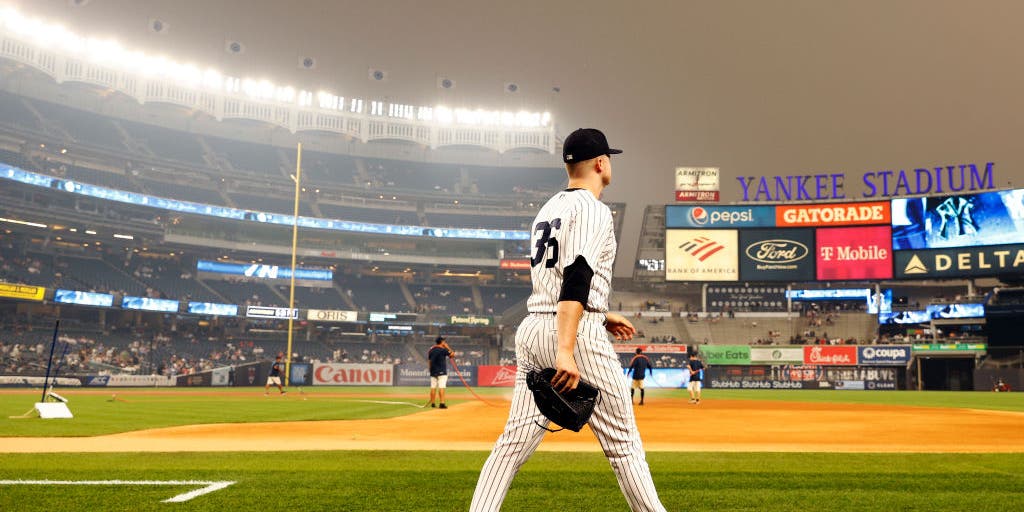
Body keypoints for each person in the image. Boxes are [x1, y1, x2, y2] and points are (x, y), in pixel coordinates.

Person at [470, 128, 666, 512]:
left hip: (533, 328)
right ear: (600, 163)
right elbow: (576, 275)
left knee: (513, 443)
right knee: (623, 445)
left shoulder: (548, 208)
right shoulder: (594, 209)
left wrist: (602, 311)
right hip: (573, 335)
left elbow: (559, 276)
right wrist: (565, 349)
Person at [427, 336, 454, 408]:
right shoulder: (443, 350)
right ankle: (442, 403)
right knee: (441, 387)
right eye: (444, 341)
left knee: (433, 387)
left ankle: (432, 403)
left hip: (433, 371)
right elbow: (452, 355)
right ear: (442, 342)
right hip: (441, 371)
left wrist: (430, 370)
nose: (445, 342)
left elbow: (429, 361)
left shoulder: (431, 349)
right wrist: (448, 347)